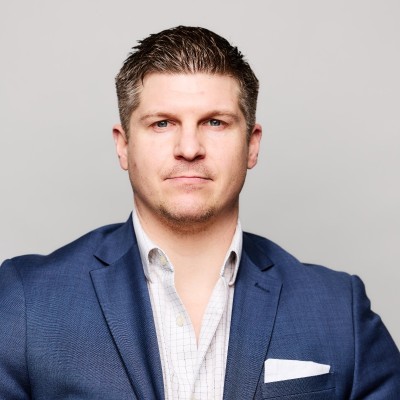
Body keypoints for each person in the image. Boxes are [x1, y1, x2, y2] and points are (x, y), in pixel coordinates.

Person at [0, 25, 399, 400]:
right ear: (123, 145)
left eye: (214, 122)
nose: (189, 148)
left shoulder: (338, 309)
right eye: (162, 123)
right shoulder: (27, 301)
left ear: (252, 144)